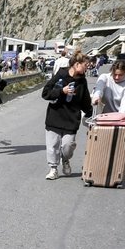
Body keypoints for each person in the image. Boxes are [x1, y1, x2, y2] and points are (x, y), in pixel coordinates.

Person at [42, 51, 93, 180]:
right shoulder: (60, 75)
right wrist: (61, 91)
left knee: (68, 146)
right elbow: (46, 93)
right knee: (52, 145)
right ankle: (53, 168)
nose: (87, 67)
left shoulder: (82, 81)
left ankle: (65, 159)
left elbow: (85, 100)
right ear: (77, 64)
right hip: (55, 116)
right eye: (85, 65)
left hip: (71, 118)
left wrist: (89, 113)